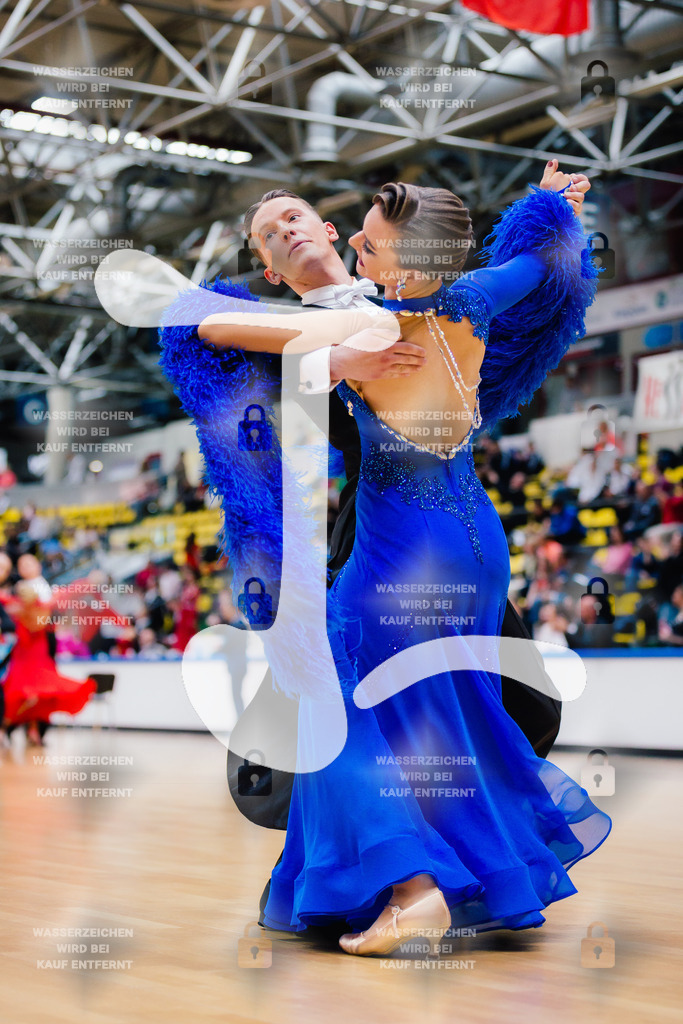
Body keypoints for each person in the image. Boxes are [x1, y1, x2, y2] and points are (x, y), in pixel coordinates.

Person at [167, 172, 610, 954]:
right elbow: (538, 263)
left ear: (339, 236)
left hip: (400, 541)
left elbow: (208, 324)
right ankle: (461, 876)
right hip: (470, 537)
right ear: (268, 266)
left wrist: (329, 355)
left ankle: (412, 885)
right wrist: (557, 211)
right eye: (269, 233)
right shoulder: (461, 298)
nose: (293, 231)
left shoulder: (369, 319)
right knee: (440, 716)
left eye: (298, 217)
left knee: (347, 710)